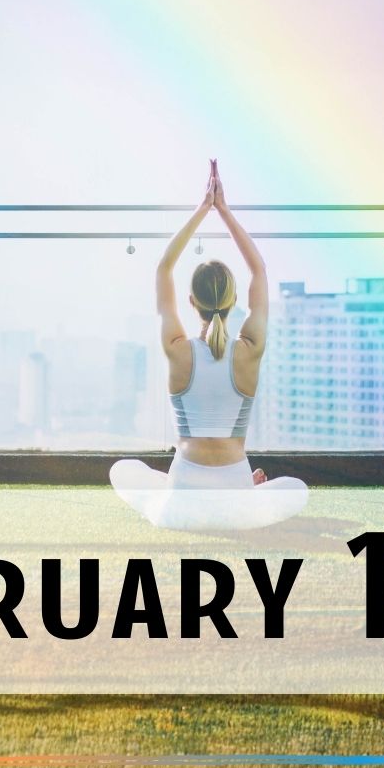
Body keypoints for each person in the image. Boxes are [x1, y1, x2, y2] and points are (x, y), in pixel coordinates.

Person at [109, 160, 308, 530]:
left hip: (181, 503)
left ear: (191, 301)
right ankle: (251, 489)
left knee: (125, 471)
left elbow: (163, 268)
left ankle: (173, 485)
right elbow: (260, 270)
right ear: (235, 302)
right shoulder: (249, 349)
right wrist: (224, 211)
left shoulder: (176, 348)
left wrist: (203, 208)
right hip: (238, 505)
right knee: (295, 489)